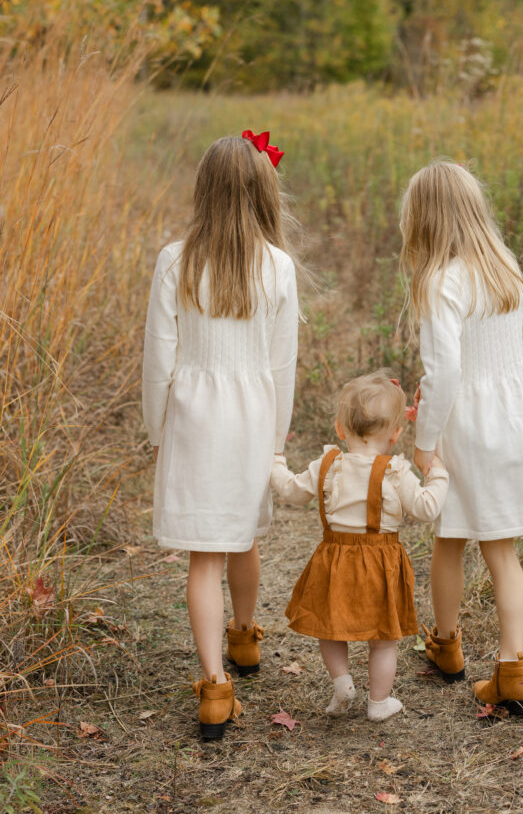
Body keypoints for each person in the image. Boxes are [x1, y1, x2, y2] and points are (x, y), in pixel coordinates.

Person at [142, 131, 298, 740]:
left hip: (194, 416)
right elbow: (283, 364)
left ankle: (214, 685)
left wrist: (160, 426)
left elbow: (160, 358)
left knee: (203, 557)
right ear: (263, 188)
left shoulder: (175, 260)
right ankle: (245, 634)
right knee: (243, 536)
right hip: (253, 416)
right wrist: (277, 440)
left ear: (203, 189)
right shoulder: (278, 265)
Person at [399, 161, 523, 716]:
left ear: (424, 219)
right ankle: (513, 668)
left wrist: (424, 440)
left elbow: (444, 374)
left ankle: (446, 644)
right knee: (502, 551)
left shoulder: (442, 280)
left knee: (449, 535)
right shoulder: (503, 266)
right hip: (513, 415)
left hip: (468, 422)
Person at [271, 371, 448, 722]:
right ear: (396, 435)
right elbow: (427, 508)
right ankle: (378, 703)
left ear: (340, 429)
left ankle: (342, 682)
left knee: (329, 628)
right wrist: (438, 474)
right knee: (383, 639)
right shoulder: (396, 472)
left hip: (333, 560)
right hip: (381, 564)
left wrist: (274, 463)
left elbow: (291, 491)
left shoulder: (326, 465)